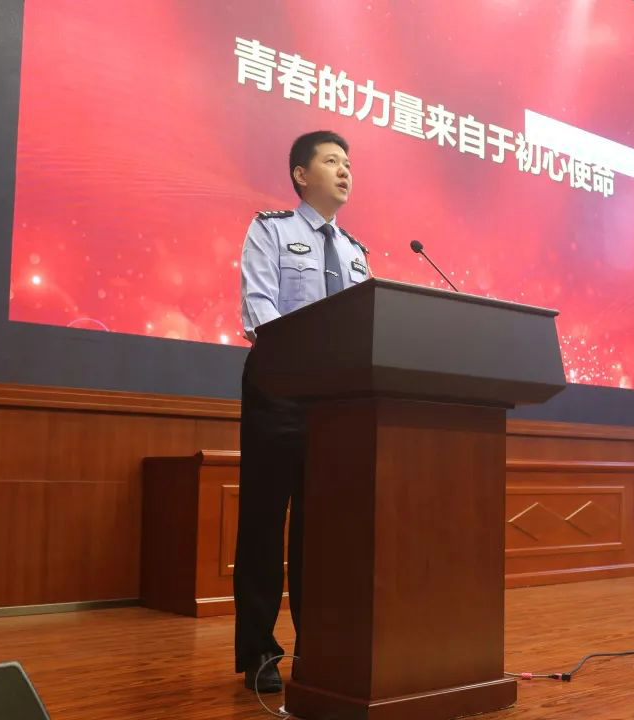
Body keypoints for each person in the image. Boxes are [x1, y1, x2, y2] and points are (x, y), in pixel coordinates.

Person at [234, 130, 370, 693]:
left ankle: (320, 645)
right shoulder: (271, 230)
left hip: (336, 406)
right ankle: (260, 652)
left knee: (323, 531)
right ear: (300, 174)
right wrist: (311, 362)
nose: (344, 171)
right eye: (332, 161)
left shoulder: (357, 252)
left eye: (348, 163)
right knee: (264, 525)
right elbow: (259, 312)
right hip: (280, 391)